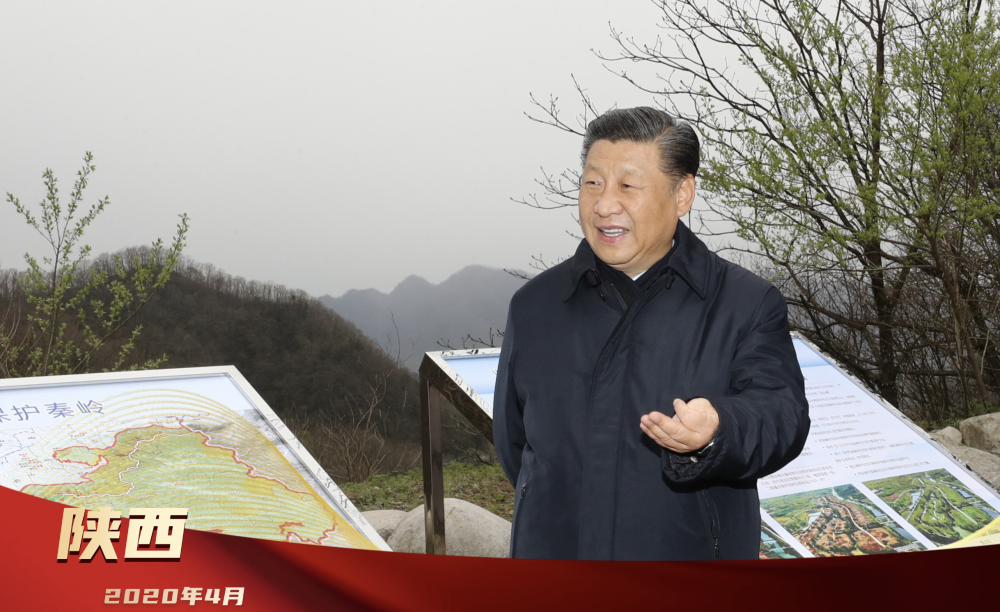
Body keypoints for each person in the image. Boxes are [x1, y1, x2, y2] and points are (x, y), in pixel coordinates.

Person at [493, 107, 810, 561]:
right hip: (556, 574)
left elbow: (782, 415)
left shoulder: (744, 303)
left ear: (682, 194)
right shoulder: (535, 306)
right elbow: (515, 445)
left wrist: (719, 428)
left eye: (627, 186)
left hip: (686, 577)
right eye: (592, 182)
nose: (604, 205)